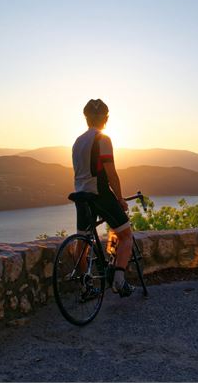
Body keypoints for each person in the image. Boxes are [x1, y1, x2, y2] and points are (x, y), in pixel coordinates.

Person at [72, 99, 135, 297]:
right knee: (126, 236)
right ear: (106, 119)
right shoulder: (103, 139)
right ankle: (119, 281)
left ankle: (85, 287)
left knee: (82, 242)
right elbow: (111, 173)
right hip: (99, 194)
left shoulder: (77, 142)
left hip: (80, 195)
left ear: (86, 119)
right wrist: (120, 198)